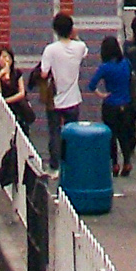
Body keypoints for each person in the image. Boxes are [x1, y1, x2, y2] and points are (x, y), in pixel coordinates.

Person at [36, 12, 87, 170]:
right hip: (73, 98)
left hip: (55, 99)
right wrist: (75, 36)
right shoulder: (79, 47)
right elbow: (84, 51)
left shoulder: (51, 50)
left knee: (55, 132)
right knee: (71, 132)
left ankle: (55, 162)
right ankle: (71, 160)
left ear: (55, 30)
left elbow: (44, 73)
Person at [87, 35, 136, 176]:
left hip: (110, 105)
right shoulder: (126, 63)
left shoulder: (105, 67)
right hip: (126, 104)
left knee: (111, 136)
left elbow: (91, 85)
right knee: (124, 135)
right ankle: (127, 161)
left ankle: (114, 164)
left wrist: (102, 94)